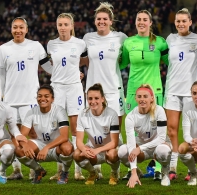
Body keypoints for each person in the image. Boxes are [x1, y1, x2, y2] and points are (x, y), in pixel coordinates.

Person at [0, 17, 53, 180]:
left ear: (26, 29)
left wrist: (68, 73)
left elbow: (48, 67)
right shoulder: (4, 49)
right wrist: (1, 96)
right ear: (11, 29)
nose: (18, 30)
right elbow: (0, 74)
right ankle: (17, 170)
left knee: (33, 134)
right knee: (14, 135)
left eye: (21, 27)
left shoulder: (35, 46)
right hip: (11, 100)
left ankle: (32, 168)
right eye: (15, 27)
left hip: (30, 99)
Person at [119, 9, 169, 181]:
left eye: (145, 19)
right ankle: (133, 168)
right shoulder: (128, 42)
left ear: (150, 23)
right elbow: (120, 64)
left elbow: (172, 63)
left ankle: (155, 167)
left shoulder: (160, 42)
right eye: (138, 19)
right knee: (132, 130)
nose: (141, 22)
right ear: (135, 22)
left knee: (156, 130)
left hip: (154, 92)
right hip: (133, 92)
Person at [82, 2, 127, 179]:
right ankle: (96, 168)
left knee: (115, 132)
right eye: (98, 19)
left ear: (111, 21)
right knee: (93, 130)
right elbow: (83, 60)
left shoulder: (121, 37)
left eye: (104, 19)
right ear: (95, 21)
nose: (101, 21)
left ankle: (116, 169)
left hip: (114, 91)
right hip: (92, 91)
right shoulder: (87, 38)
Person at [164, 8, 197, 181]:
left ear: (190, 22)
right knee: (172, 130)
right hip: (172, 90)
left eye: (184, 21)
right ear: (175, 23)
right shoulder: (170, 39)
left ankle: (191, 168)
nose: (181, 24)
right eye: (178, 21)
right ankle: (172, 167)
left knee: (192, 131)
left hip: (191, 93)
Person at [46, 13, 86, 181]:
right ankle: (60, 169)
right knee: (57, 127)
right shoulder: (51, 44)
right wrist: (53, 74)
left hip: (74, 88)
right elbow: (49, 64)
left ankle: (78, 170)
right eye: (60, 24)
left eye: (65, 24)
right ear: (57, 26)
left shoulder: (80, 44)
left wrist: (80, 73)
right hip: (57, 88)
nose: (62, 27)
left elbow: (85, 61)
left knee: (76, 125)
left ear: (72, 26)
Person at [14, 84, 74, 184]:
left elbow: (64, 136)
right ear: (36, 98)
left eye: (46, 96)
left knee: (67, 148)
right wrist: (25, 145)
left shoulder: (60, 111)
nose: (42, 99)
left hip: (56, 147)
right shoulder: (32, 112)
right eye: (40, 96)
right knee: (19, 150)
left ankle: (64, 173)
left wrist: (47, 148)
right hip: (39, 145)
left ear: (52, 99)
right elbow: (22, 136)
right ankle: (39, 170)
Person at [118, 84, 172, 188]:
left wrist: (140, 148)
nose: (142, 99)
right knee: (122, 151)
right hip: (142, 148)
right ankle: (137, 172)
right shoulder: (130, 117)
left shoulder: (159, 111)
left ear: (152, 98)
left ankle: (165, 173)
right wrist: (133, 172)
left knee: (163, 151)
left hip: (158, 145)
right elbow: (131, 144)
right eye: (139, 96)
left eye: (145, 96)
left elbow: (161, 138)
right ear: (135, 98)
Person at [73, 83, 121, 185]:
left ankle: (114, 173)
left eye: (96, 98)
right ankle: (92, 172)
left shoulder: (112, 114)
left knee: (112, 154)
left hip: (109, 149)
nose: (93, 101)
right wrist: (84, 150)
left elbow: (114, 142)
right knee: (77, 154)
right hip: (93, 149)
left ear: (102, 99)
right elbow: (79, 141)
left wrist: (97, 150)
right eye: (90, 98)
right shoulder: (83, 114)